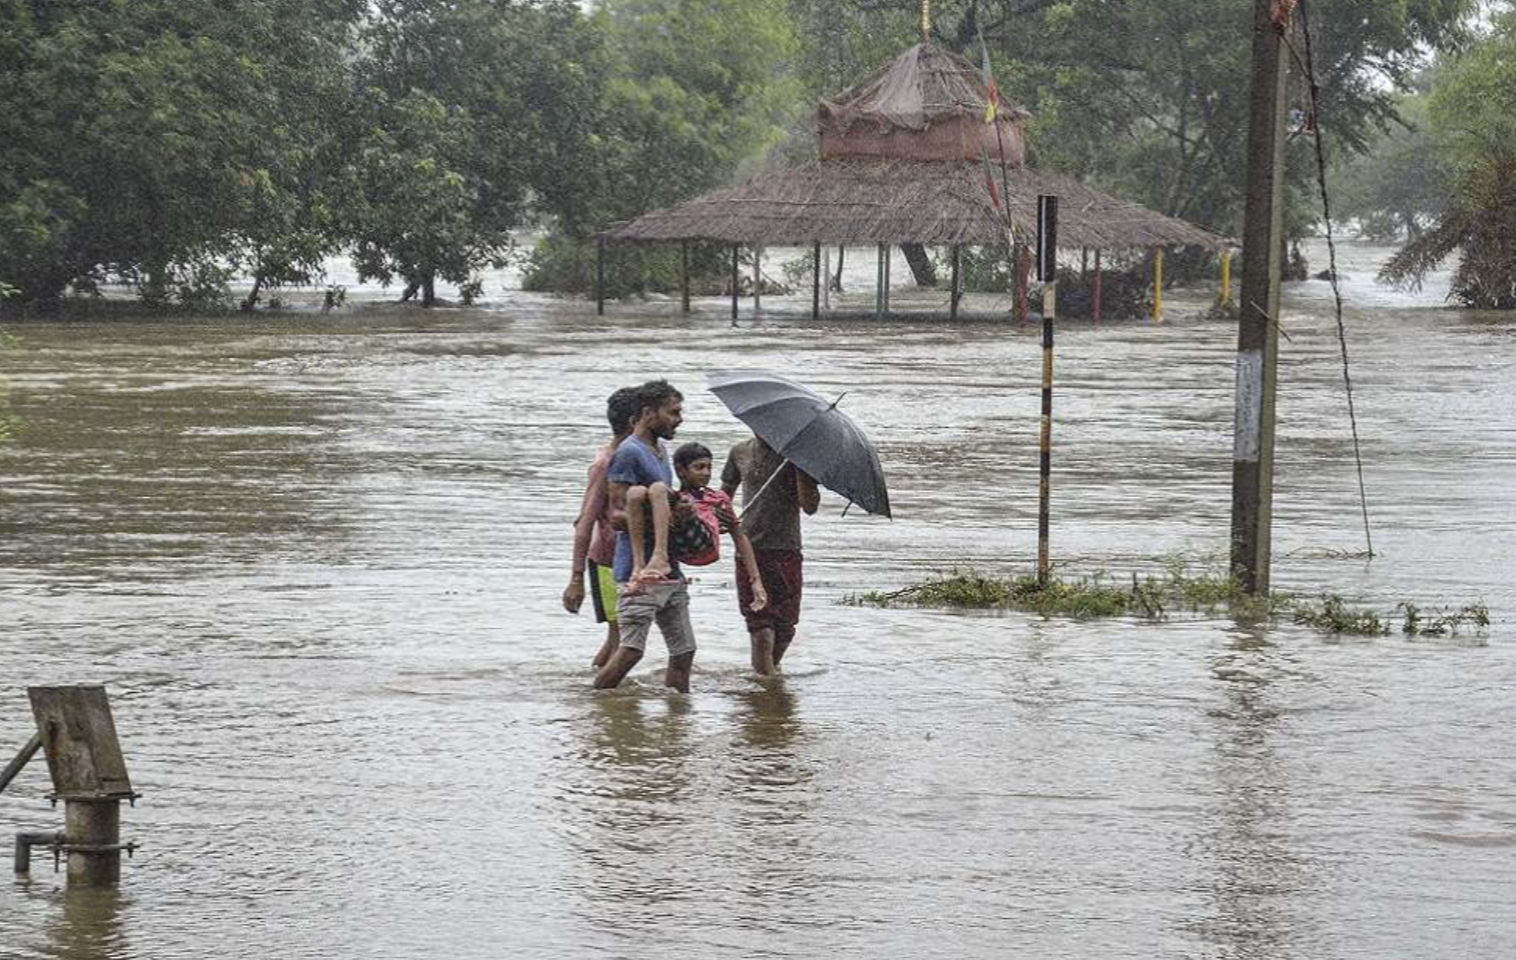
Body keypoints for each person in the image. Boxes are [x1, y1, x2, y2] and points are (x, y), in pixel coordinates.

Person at [595, 380, 698, 692]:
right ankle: (596, 706)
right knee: (631, 652)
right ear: (647, 413)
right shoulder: (628, 453)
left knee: (684, 651)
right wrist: (665, 518)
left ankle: (678, 725)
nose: (679, 419)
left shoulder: (660, 450)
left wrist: (680, 511)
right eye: (673, 412)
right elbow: (617, 516)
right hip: (637, 571)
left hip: (669, 568)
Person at [722, 436, 819, 675]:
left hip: (787, 549)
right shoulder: (740, 452)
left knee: (785, 630)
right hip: (749, 551)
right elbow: (724, 494)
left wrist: (800, 468)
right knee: (761, 630)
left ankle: (765, 681)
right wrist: (722, 518)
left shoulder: (798, 457)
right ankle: (766, 695)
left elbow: (810, 506)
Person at [563, 386, 641, 668]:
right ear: (636, 420)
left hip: (632, 559)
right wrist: (576, 579)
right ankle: (601, 695)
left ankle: (604, 696)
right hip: (608, 561)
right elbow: (583, 523)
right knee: (620, 637)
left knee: (623, 636)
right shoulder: (605, 463)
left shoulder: (638, 455)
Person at [669, 441, 768, 613]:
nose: (706, 473)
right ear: (681, 471)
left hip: (706, 546)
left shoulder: (717, 499)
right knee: (678, 503)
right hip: (683, 546)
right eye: (699, 467)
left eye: (709, 467)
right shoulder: (677, 500)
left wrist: (756, 580)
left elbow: (739, 536)